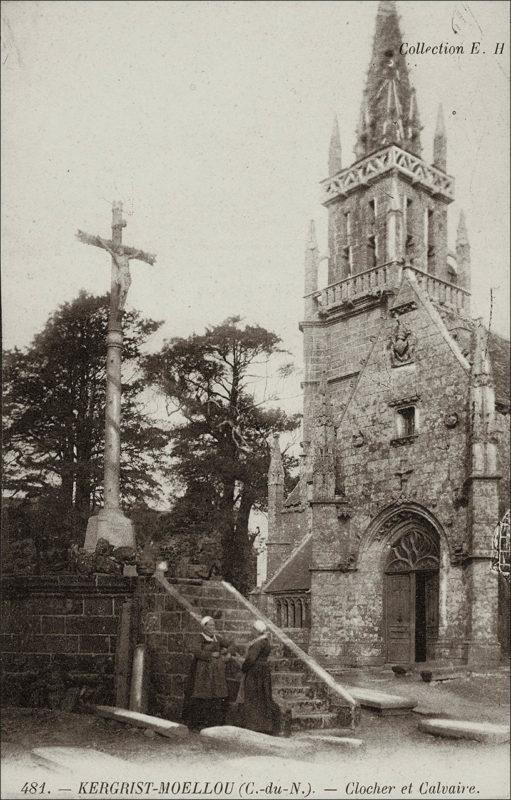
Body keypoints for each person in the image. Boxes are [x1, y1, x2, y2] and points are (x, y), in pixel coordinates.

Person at [182, 616, 234, 731]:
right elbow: (196, 651)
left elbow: (231, 644)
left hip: (216, 673)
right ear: (204, 627)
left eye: (213, 625)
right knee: (202, 695)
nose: (212, 628)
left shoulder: (217, 638)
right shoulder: (199, 638)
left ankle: (213, 723)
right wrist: (210, 655)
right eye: (210, 625)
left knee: (216, 695)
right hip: (202, 672)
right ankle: (198, 724)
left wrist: (227, 651)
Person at [232, 620, 281, 735]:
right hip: (263, 672)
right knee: (263, 697)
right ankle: (265, 725)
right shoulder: (265, 641)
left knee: (253, 696)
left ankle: (255, 725)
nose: (251, 631)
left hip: (255, 673)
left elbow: (251, 659)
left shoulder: (258, 643)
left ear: (257, 631)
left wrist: (243, 668)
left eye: (252, 629)